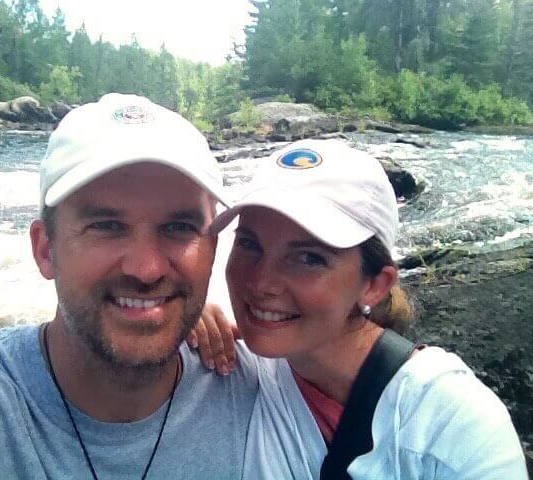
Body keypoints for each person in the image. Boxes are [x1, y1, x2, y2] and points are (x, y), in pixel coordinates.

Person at [0, 93, 259, 479]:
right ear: (45, 249)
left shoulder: (257, 388)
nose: (147, 270)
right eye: (107, 226)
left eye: (179, 228)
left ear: (212, 250)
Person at [193, 139, 528, 479]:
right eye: (249, 244)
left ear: (375, 285)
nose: (262, 282)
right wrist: (180, 319)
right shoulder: (233, 367)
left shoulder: (452, 427)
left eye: (309, 258)